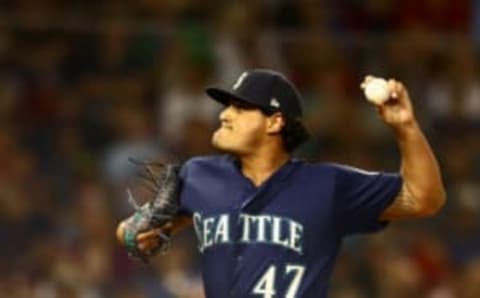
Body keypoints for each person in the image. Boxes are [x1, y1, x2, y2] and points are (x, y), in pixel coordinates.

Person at [117, 69, 446, 298]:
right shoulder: (200, 176)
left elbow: (423, 199)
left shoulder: (327, 185)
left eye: (240, 107)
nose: (224, 115)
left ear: (274, 121)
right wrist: (141, 231)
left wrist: (405, 127)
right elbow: (130, 234)